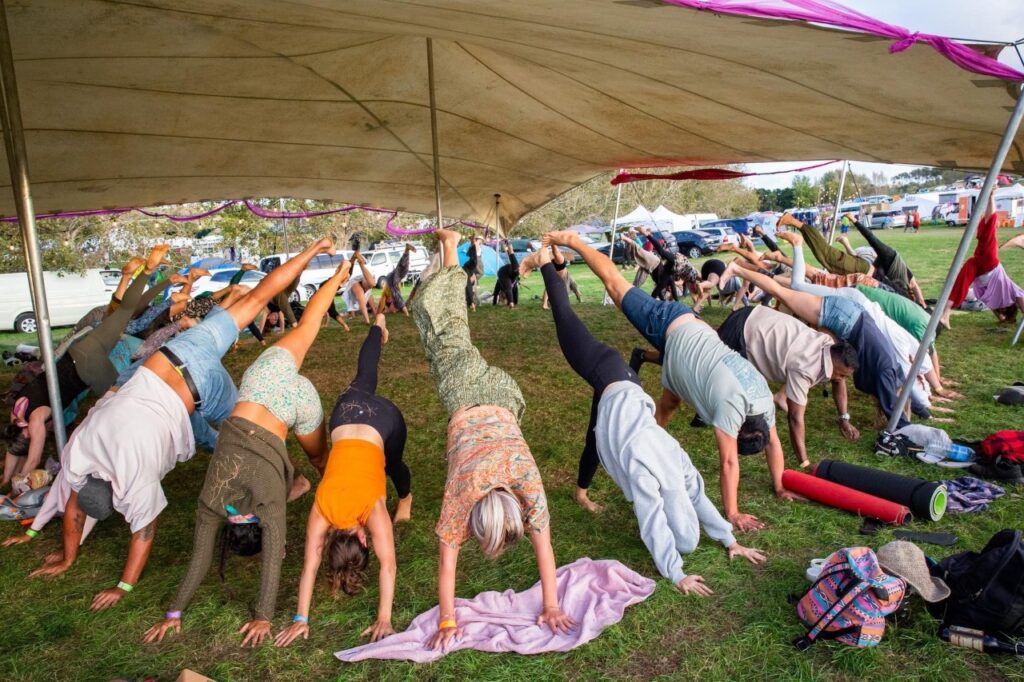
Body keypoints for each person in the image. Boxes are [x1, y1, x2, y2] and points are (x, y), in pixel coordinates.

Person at [4, 238, 337, 612]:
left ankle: (292, 481)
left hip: (200, 388)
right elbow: (73, 507)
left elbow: (141, 535)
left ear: (116, 498)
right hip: (174, 355)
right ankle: (316, 248)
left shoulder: (134, 482)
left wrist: (122, 586)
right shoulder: (78, 453)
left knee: (251, 436)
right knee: (258, 296)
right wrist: (62, 553)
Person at [529, 245, 765, 594]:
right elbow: (653, 519)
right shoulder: (649, 478)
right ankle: (545, 263)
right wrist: (676, 573)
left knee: (595, 434)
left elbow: (697, 498)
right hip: (609, 376)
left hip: (625, 387)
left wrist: (730, 541)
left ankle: (559, 265)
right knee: (565, 321)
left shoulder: (678, 462)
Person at [141, 260, 352, 647]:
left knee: (320, 459)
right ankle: (338, 276)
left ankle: (336, 504)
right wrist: (173, 612)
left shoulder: (269, 504)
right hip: (260, 385)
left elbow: (272, 559)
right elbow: (199, 557)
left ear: (257, 525)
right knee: (308, 326)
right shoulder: (212, 502)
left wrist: (262, 617)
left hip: (291, 404)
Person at [543, 230, 796, 532]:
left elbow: (774, 443)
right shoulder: (732, 410)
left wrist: (780, 486)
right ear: (740, 426)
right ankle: (574, 241)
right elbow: (729, 462)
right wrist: (733, 513)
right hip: (668, 324)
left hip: (693, 343)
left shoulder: (764, 402)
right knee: (615, 284)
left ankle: (647, 453)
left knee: (670, 403)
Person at [410, 228, 575, 651]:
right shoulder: (464, 489)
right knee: (441, 330)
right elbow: (447, 562)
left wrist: (551, 605)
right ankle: (450, 247)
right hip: (467, 390)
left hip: (504, 396)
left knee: (448, 335)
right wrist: (446, 620)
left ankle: (448, 252)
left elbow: (542, 546)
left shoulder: (525, 482)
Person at [274, 313, 414, 648]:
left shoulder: (372, 510)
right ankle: (378, 326)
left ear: (364, 540)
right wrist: (299, 617)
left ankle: (406, 499)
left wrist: (384, 618)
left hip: (383, 419)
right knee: (365, 373)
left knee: (394, 464)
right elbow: (310, 565)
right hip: (346, 413)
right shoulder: (322, 510)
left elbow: (389, 566)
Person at [3, 247, 170, 489]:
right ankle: (146, 271)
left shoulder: (36, 421)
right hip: (81, 348)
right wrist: (6, 480)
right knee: (124, 312)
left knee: (120, 401)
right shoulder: (18, 409)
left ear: (25, 432)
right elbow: (14, 448)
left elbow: (33, 459)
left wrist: (19, 484)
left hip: (88, 369)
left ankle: (137, 446)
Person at [718, 261, 910, 430]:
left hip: (853, 317)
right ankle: (737, 269)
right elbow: (891, 405)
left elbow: (903, 392)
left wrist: (845, 418)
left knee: (815, 356)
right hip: (844, 317)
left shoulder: (893, 367)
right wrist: (906, 427)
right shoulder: (886, 372)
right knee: (784, 290)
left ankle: (783, 395)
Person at [717, 305, 860, 467]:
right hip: (742, 331)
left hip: (756, 314)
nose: (842, 379)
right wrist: (804, 462)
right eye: (842, 375)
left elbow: (838, 381)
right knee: (716, 376)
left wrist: (844, 419)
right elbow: (795, 418)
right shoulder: (806, 367)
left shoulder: (829, 345)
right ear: (831, 365)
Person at [941, 194, 1024, 329]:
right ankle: (945, 315)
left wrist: (1004, 319)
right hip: (988, 264)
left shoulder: (994, 303)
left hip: (980, 267)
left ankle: (945, 315)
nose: (1000, 311)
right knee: (989, 228)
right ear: (1009, 309)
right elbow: (1021, 298)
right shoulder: (1012, 293)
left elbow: (999, 314)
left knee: (960, 285)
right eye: (1003, 311)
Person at [844, 216, 926, 306]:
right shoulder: (908, 282)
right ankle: (853, 222)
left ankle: (845, 242)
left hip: (885, 268)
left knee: (866, 270)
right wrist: (922, 303)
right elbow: (915, 287)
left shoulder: (900, 291)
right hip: (893, 259)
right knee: (872, 240)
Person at [492, 241, 520, 308]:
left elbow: (496, 292)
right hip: (503, 272)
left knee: (516, 270)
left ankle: (510, 251)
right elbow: (506, 290)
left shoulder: (500, 283)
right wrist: (511, 302)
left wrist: (494, 302)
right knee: (516, 271)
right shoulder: (504, 282)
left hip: (507, 270)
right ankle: (511, 303)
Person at [462, 236, 483, 311]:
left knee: (471, 287)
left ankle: (472, 302)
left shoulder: (475, 258)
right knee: (470, 288)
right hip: (469, 269)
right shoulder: (472, 252)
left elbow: (475, 262)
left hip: (470, 268)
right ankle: (472, 303)